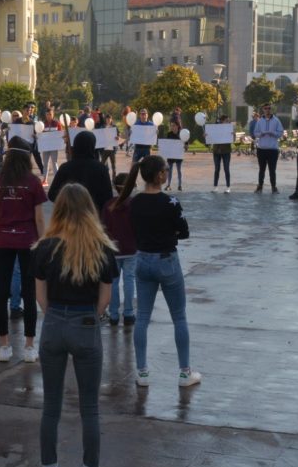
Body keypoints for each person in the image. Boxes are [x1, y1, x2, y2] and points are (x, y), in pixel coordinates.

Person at [33, 183, 118, 467]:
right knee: (89, 407)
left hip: (54, 321)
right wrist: (89, 318)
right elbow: (106, 297)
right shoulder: (101, 247)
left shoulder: (45, 247)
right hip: (85, 322)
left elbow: (40, 294)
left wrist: (55, 316)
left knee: (51, 405)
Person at [117, 156, 200, 388]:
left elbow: (133, 230)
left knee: (142, 317)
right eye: (165, 170)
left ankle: (142, 371)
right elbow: (184, 232)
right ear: (160, 175)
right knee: (179, 316)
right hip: (167, 260)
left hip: (142, 259)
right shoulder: (170, 202)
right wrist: (168, 235)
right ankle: (185, 372)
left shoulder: (133, 203)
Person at [0, 137, 46, 363]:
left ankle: (4, 345)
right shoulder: (32, 182)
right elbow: (39, 219)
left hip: (3, 241)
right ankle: (30, 346)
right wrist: (43, 243)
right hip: (28, 242)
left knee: (2, 292)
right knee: (29, 293)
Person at [48, 130, 114, 213]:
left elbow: (52, 195)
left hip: (69, 217)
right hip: (93, 217)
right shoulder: (101, 169)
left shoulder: (65, 168)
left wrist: (69, 202)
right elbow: (108, 197)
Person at [102, 173, 136, 327]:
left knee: (113, 282)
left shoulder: (108, 204)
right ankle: (128, 313)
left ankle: (114, 314)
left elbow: (103, 227)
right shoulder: (134, 204)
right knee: (129, 281)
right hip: (131, 248)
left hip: (113, 249)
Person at [254, 103, 284, 193]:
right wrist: (261, 134)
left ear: (271, 110)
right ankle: (260, 186)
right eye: (266, 108)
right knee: (261, 169)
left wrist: (273, 133)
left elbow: (281, 132)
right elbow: (255, 133)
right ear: (263, 110)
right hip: (261, 149)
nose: (267, 110)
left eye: (269, 108)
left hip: (273, 149)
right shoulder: (259, 121)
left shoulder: (276, 120)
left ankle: (274, 187)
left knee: (272, 170)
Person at [210, 114, 232, 193]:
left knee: (226, 169)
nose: (228, 122)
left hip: (226, 151)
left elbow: (233, 139)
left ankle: (228, 187)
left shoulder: (229, 128)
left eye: (228, 121)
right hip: (216, 151)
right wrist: (206, 136)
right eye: (226, 121)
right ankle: (215, 187)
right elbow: (210, 137)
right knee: (217, 169)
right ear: (222, 121)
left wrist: (234, 135)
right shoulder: (216, 128)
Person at [40, 108, 62, 184]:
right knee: (45, 164)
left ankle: (57, 180)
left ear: (53, 114)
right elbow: (40, 134)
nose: (49, 116)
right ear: (45, 115)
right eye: (47, 114)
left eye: (50, 114)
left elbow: (60, 134)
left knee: (54, 163)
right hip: (45, 147)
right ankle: (44, 180)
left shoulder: (57, 123)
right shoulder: (42, 124)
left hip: (54, 147)